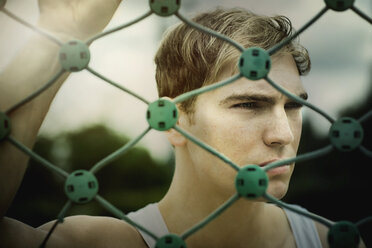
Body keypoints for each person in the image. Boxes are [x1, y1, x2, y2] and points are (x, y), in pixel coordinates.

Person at [0, 1, 366, 248]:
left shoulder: (331, 240)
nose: (283, 135)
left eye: (293, 106)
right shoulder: (97, 243)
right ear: (172, 121)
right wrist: (54, 40)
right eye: (249, 104)